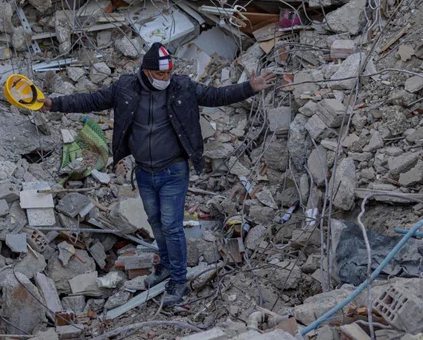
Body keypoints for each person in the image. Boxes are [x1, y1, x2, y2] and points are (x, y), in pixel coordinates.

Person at [42, 41, 276, 307]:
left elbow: (215, 96)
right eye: (161, 74)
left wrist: (249, 88)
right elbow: (91, 100)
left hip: (173, 170)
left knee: (172, 226)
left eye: (169, 73)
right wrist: (53, 104)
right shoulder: (125, 88)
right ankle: (165, 266)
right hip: (144, 172)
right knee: (155, 223)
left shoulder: (183, 87)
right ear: (147, 71)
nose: (166, 78)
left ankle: (178, 280)